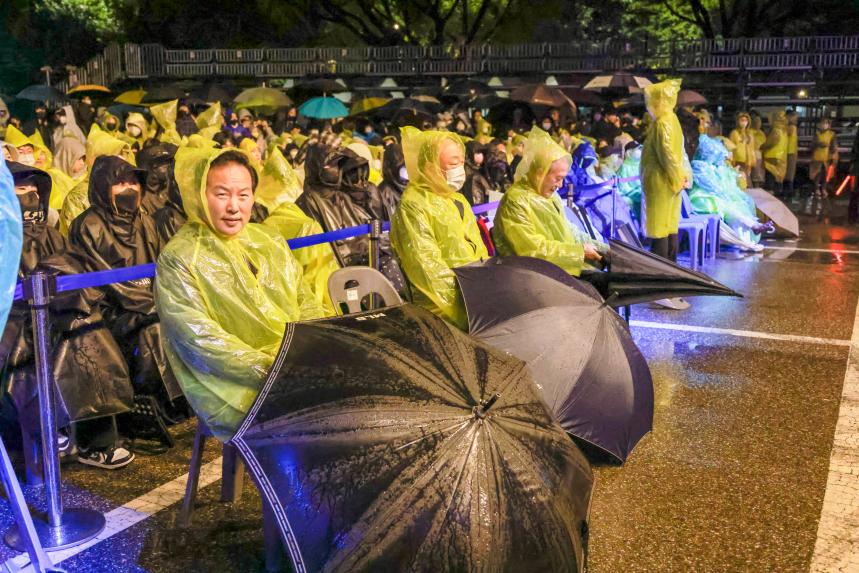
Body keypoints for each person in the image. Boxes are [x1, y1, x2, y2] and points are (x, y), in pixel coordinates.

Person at [156, 147, 324, 440]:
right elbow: (202, 342)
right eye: (222, 194)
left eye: (243, 195)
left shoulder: (268, 240)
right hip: (228, 389)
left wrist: (313, 349)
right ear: (199, 195)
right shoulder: (180, 258)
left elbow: (305, 299)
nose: (234, 206)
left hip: (294, 369)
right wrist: (275, 368)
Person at [3, 162, 135, 469]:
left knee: (88, 329)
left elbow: (73, 274)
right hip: (14, 324)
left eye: (35, 190)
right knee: (59, 339)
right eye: (21, 190)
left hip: (54, 316)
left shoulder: (52, 235)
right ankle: (59, 426)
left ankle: (96, 436)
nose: (31, 197)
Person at [69, 156, 182, 422]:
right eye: (119, 183)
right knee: (153, 331)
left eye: (133, 182)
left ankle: (177, 402)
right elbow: (103, 282)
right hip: (110, 309)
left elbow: (162, 266)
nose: (129, 189)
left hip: (148, 303)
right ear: (102, 187)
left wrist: (166, 301)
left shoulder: (145, 221)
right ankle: (148, 408)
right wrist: (150, 306)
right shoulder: (88, 226)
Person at [390, 127, 488, 330]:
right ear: (430, 166)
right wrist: (466, 312)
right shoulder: (413, 204)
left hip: (474, 301)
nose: (460, 169)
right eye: (453, 163)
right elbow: (427, 270)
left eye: (462, 162)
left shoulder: (457, 199)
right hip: (441, 314)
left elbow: (479, 251)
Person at [493, 127, 608, 277]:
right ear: (540, 173)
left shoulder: (550, 197)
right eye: (558, 178)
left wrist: (604, 249)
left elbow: (569, 231)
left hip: (562, 268)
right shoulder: (516, 201)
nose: (560, 185)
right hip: (537, 278)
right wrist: (578, 252)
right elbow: (532, 249)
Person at [640, 79, 690, 296]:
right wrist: (681, 178)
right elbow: (678, 153)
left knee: (659, 228)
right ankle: (670, 275)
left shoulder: (662, 123)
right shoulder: (672, 120)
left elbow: (668, 155)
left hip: (662, 183)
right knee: (669, 227)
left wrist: (676, 177)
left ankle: (659, 279)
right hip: (671, 183)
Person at [806, 117, 838, 216]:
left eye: (826, 123)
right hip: (817, 158)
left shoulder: (832, 135)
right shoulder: (817, 134)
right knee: (817, 174)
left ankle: (823, 188)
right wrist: (818, 144)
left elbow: (834, 147)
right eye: (822, 123)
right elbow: (812, 146)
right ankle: (816, 188)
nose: (824, 125)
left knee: (825, 174)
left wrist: (832, 152)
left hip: (826, 158)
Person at [761, 110, 788, 197]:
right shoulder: (784, 131)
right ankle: (777, 191)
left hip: (772, 156)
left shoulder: (776, 131)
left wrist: (762, 146)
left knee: (770, 175)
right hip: (781, 157)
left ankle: (770, 192)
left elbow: (770, 143)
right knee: (778, 175)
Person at [461, 140, 492, 206]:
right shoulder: (474, 177)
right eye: (477, 153)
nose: (481, 156)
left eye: (482, 153)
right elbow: (477, 202)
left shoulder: (478, 171)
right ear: (469, 154)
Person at [729, 112, 756, 183]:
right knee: (742, 181)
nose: (744, 122)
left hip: (747, 162)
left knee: (746, 181)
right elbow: (731, 148)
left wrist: (752, 161)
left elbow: (752, 148)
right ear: (738, 121)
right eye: (742, 120)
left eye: (746, 120)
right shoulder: (734, 133)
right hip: (738, 161)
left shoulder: (749, 134)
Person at [784, 110, 799, 201]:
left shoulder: (791, 127)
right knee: (789, 172)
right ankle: (788, 191)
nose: (796, 119)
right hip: (789, 152)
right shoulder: (791, 127)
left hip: (790, 152)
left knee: (789, 172)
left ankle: (788, 191)